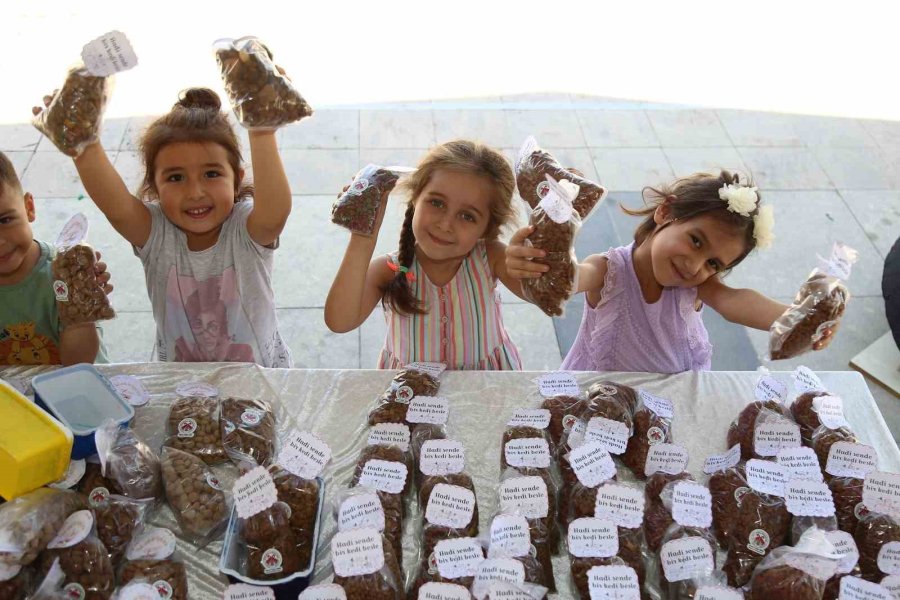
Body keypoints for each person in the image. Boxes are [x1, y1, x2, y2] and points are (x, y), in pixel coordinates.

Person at [36, 88, 293, 367]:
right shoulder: (155, 233)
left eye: (211, 174)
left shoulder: (246, 230)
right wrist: (83, 145)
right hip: (180, 383)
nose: (195, 192)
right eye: (176, 177)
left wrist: (262, 131)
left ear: (236, 179)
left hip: (260, 378)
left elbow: (274, 216)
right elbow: (117, 208)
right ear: (154, 187)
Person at [506, 170, 835, 373]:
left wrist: (799, 318)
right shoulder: (610, 271)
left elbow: (737, 302)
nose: (694, 266)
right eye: (695, 241)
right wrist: (538, 262)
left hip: (669, 403)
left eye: (713, 264)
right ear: (665, 212)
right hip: (601, 398)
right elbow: (573, 277)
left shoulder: (699, 286)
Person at [325, 140, 524, 370]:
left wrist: (550, 231)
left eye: (467, 216)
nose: (445, 224)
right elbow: (339, 321)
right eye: (437, 203)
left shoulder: (491, 258)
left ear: (488, 228)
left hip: (485, 389)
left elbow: (546, 294)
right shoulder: (389, 270)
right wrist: (363, 237)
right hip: (409, 395)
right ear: (415, 198)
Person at [0, 151, 110, 365]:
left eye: (4, 220)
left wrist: (80, 311)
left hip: (72, 390)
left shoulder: (63, 273)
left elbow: (79, 365)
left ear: (29, 207)